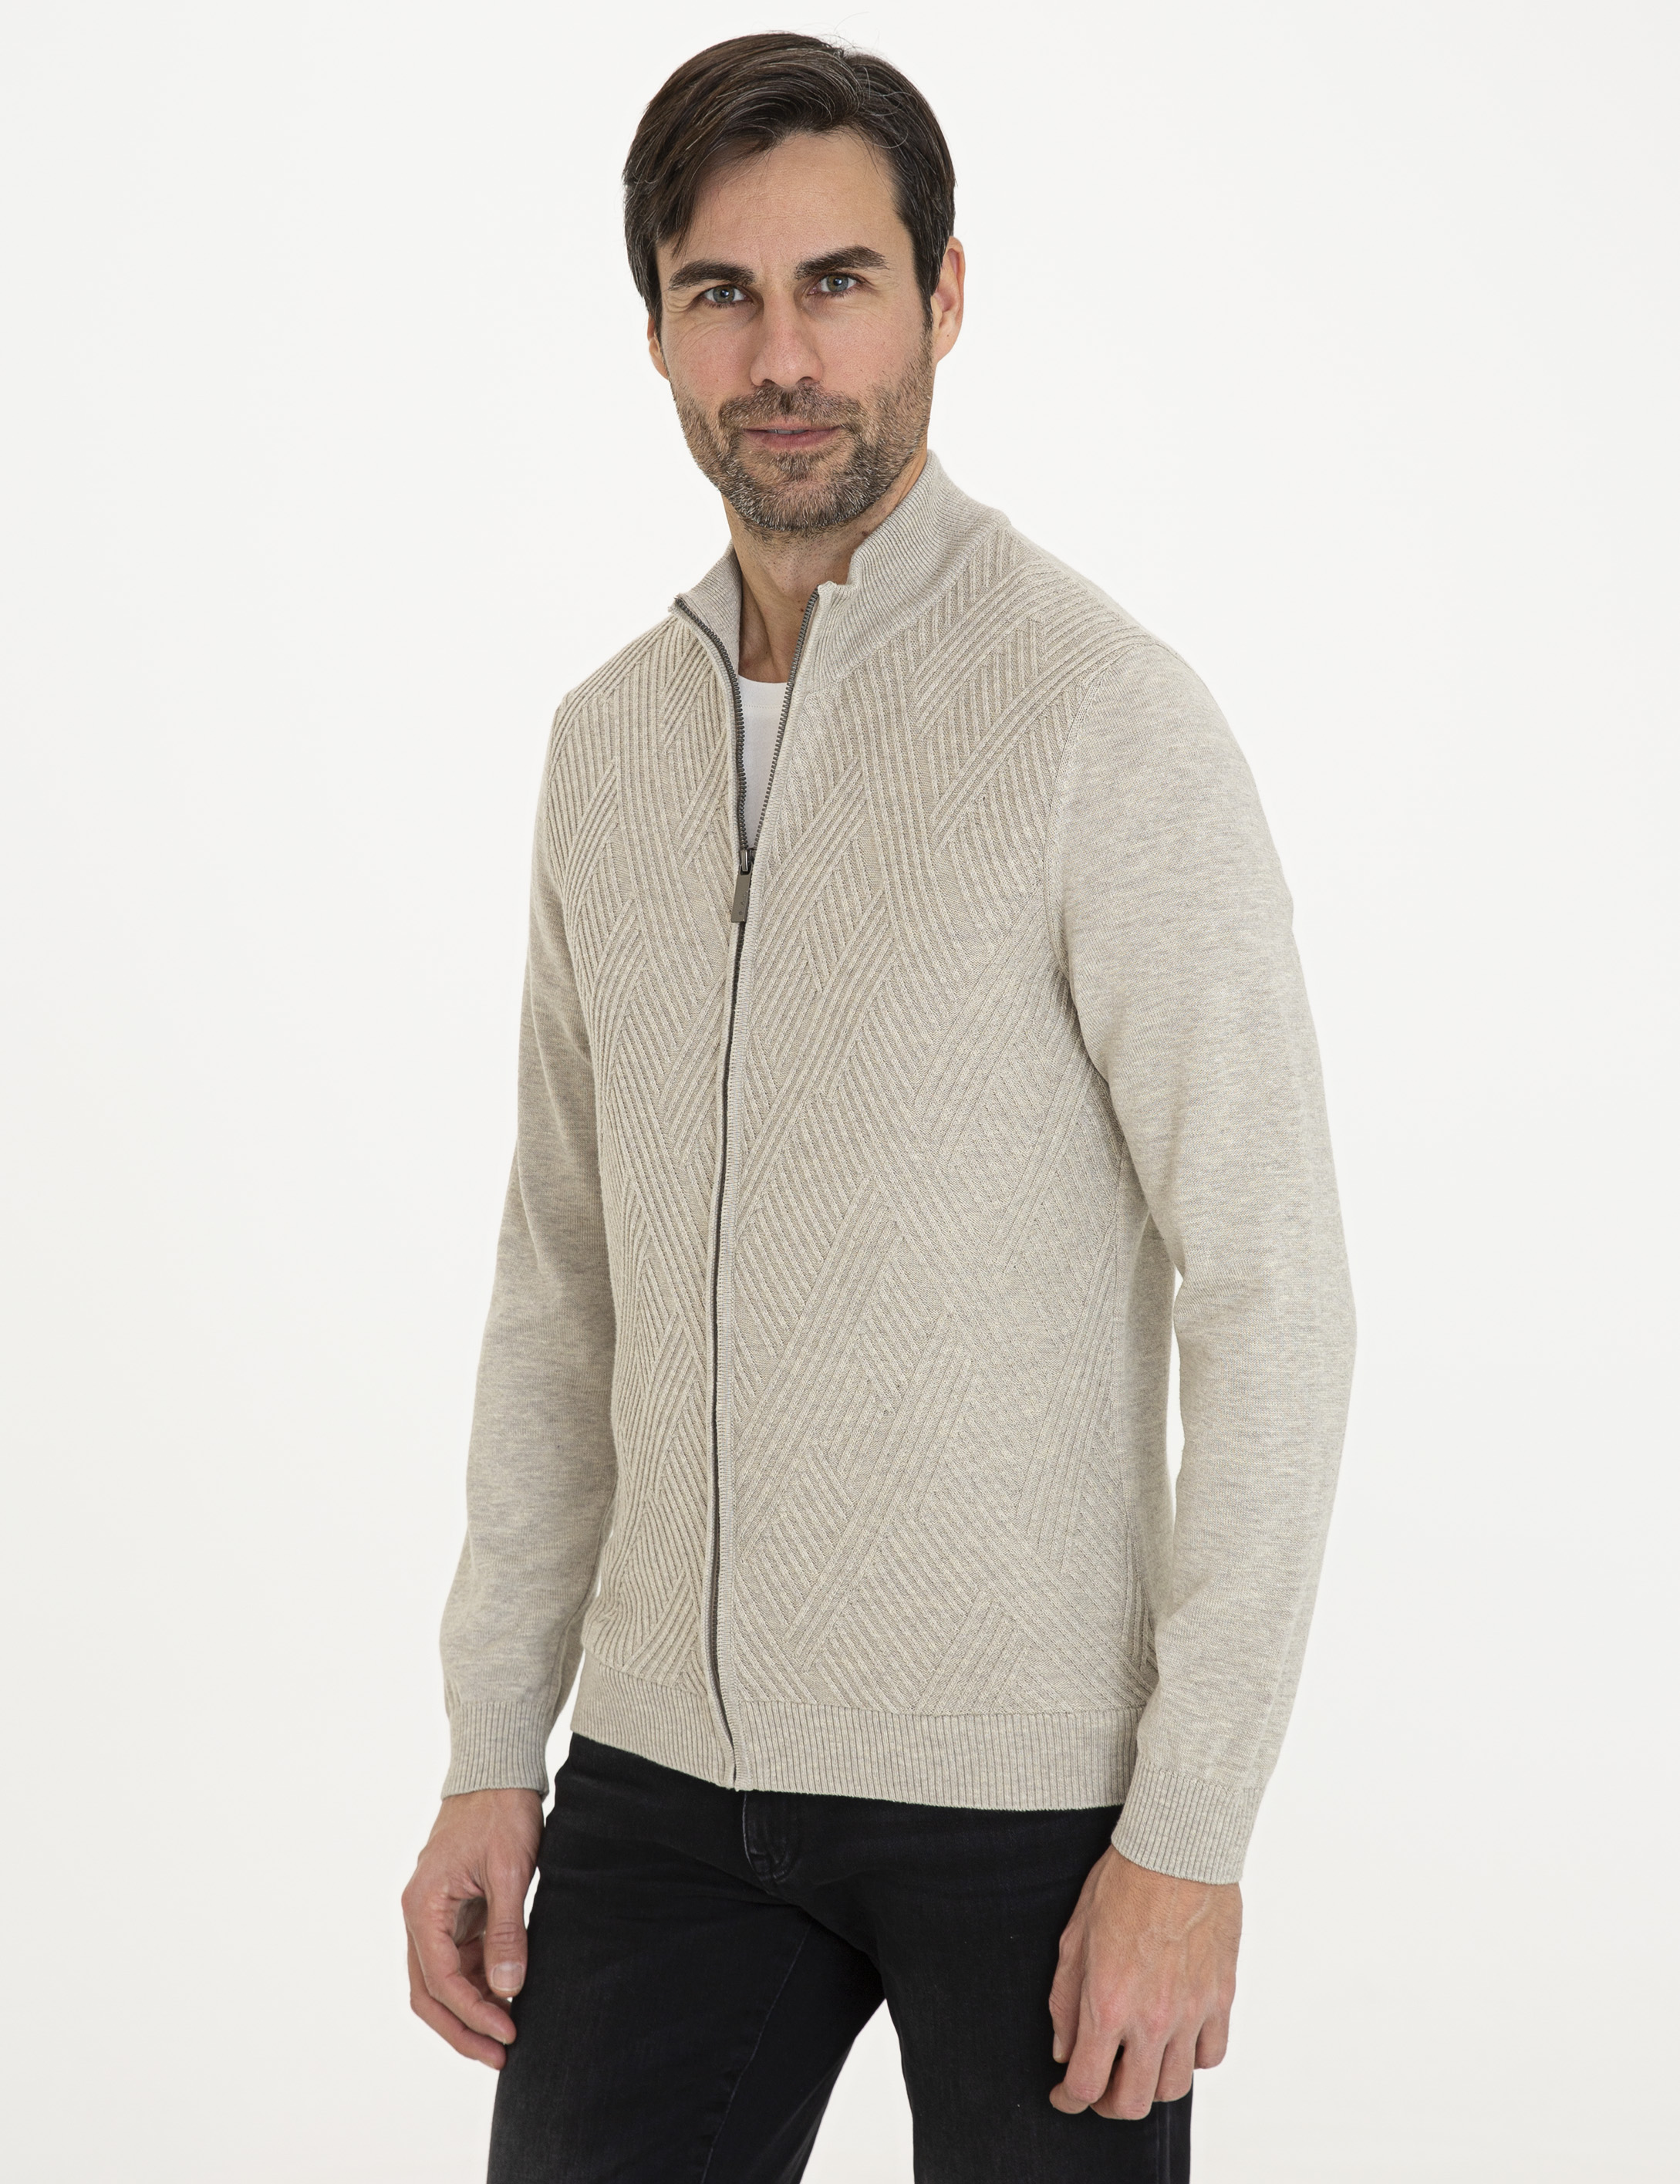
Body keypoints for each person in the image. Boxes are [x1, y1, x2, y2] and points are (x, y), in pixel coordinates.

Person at [401, 31, 1355, 2183]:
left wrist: (1190, 1835)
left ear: (942, 297)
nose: (783, 357)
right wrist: (491, 1744)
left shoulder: (1100, 717)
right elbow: (560, 1285)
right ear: (655, 326)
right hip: (660, 1782)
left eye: (837, 283)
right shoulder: (606, 746)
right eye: (721, 293)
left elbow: (1275, 1294)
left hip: (1030, 1807)